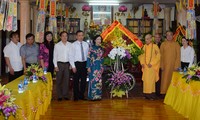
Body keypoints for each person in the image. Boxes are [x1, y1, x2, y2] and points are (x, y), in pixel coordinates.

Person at [139, 34, 160, 100]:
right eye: (145, 39)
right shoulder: (144, 47)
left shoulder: (155, 46)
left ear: (151, 39)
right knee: (145, 81)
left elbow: (158, 56)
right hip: (145, 67)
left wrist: (152, 63)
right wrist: (142, 63)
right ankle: (146, 95)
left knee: (151, 82)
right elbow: (141, 55)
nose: (146, 40)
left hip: (152, 67)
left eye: (147, 39)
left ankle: (151, 95)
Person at [69, 30, 89, 101]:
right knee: (76, 81)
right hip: (77, 64)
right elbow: (71, 56)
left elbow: (88, 56)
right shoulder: (73, 45)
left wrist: (88, 65)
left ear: (83, 36)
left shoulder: (86, 44)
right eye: (79, 35)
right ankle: (76, 96)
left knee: (84, 81)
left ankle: (82, 95)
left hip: (84, 64)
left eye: (82, 35)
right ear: (76, 36)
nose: (81, 37)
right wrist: (73, 66)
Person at [160, 31, 180, 98]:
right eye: (167, 35)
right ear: (166, 36)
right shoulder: (163, 44)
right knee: (165, 80)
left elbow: (178, 56)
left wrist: (177, 66)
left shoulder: (176, 44)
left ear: (172, 36)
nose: (169, 36)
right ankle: (164, 93)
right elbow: (161, 56)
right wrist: (161, 65)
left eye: (170, 35)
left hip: (173, 66)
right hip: (165, 66)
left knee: (173, 80)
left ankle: (172, 94)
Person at [53, 31, 71, 101]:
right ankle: (59, 95)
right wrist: (55, 66)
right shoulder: (57, 45)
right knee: (59, 80)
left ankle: (65, 95)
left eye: (66, 36)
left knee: (67, 80)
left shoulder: (70, 45)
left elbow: (71, 56)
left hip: (67, 64)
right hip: (59, 64)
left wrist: (71, 65)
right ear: (60, 37)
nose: (64, 37)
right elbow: (55, 56)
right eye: (63, 36)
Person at [87, 35, 104, 101]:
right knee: (93, 81)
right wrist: (88, 67)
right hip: (93, 66)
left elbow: (102, 58)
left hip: (99, 67)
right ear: (94, 40)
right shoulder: (91, 48)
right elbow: (88, 57)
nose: (99, 41)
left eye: (100, 39)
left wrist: (102, 67)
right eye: (97, 39)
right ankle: (92, 96)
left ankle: (98, 96)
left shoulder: (101, 48)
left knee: (99, 81)